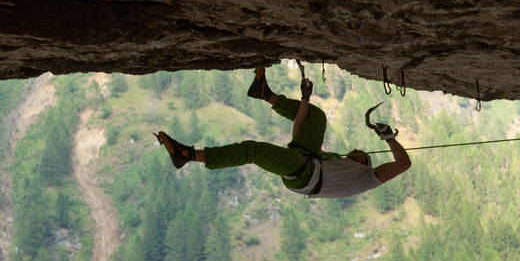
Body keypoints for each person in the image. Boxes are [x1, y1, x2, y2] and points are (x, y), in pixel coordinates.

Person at [153, 66, 411, 198]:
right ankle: (264, 93)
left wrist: (390, 138)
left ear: (364, 162)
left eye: (359, 153)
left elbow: (403, 163)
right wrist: (305, 100)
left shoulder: (368, 177)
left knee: (254, 150)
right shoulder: (333, 160)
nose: (355, 150)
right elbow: (299, 129)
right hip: (307, 168)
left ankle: (188, 155)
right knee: (316, 118)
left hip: (306, 176)